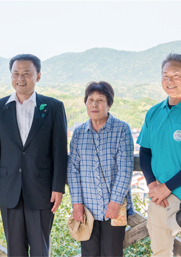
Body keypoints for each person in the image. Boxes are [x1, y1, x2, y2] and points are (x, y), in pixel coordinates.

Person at [0, 54, 67, 256]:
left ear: (38, 76)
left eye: (26, 73)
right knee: (15, 250)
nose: (20, 78)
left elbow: (59, 151)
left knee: (40, 249)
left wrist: (58, 187)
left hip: (42, 190)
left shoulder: (53, 107)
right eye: (16, 73)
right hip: (9, 188)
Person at [137, 53, 181, 256]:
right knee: (160, 252)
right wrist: (152, 185)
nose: (169, 80)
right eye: (165, 75)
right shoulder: (153, 112)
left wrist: (166, 187)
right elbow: (145, 151)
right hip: (159, 200)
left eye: (176, 75)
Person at [67, 81, 134, 256]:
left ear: (109, 103)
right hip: (87, 209)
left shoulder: (121, 129)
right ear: (86, 103)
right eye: (91, 100)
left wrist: (115, 202)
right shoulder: (79, 133)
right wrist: (77, 204)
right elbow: (73, 171)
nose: (95, 104)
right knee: (89, 253)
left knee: (112, 253)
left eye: (100, 100)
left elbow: (125, 169)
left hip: (114, 208)